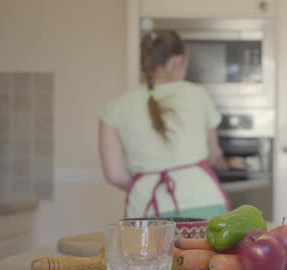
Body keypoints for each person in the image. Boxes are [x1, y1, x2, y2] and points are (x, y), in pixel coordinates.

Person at [99, 30, 231, 219]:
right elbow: (213, 155)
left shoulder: (115, 108)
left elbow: (114, 174)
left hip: (145, 208)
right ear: (178, 61)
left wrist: (147, 181)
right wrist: (222, 163)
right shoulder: (197, 94)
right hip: (204, 202)